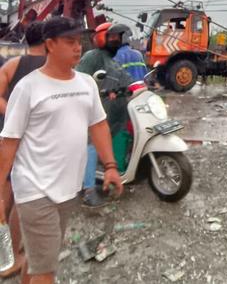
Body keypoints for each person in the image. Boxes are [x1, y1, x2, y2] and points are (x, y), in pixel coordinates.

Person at [0, 16, 123, 284]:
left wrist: (111, 166)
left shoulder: (86, 83)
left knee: (37, 259)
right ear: (50, 45)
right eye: (70, 42)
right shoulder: (29, 87)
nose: (78, 48)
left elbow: (99, 125)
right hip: (35, 189)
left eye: (79, 42)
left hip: (67, 188)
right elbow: (9, 141)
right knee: (47, 271)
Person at [0, 21, 46, 278]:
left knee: (6, 190)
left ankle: (4, 253)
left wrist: (12, 114)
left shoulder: (12, 65)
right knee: (23, 195)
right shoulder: (53, 70)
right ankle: (14, 258)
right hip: (34, 142)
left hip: (8, 135)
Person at [76, 23, 133, 208]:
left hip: (111, 113)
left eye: (118, 37)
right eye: (112, 37)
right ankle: (89, 190)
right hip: (93, 114)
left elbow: (126, 80)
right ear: (101, 38)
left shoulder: (113, 61)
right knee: (91, 145)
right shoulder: (92, 57)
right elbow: (81, 80)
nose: (116, 40)